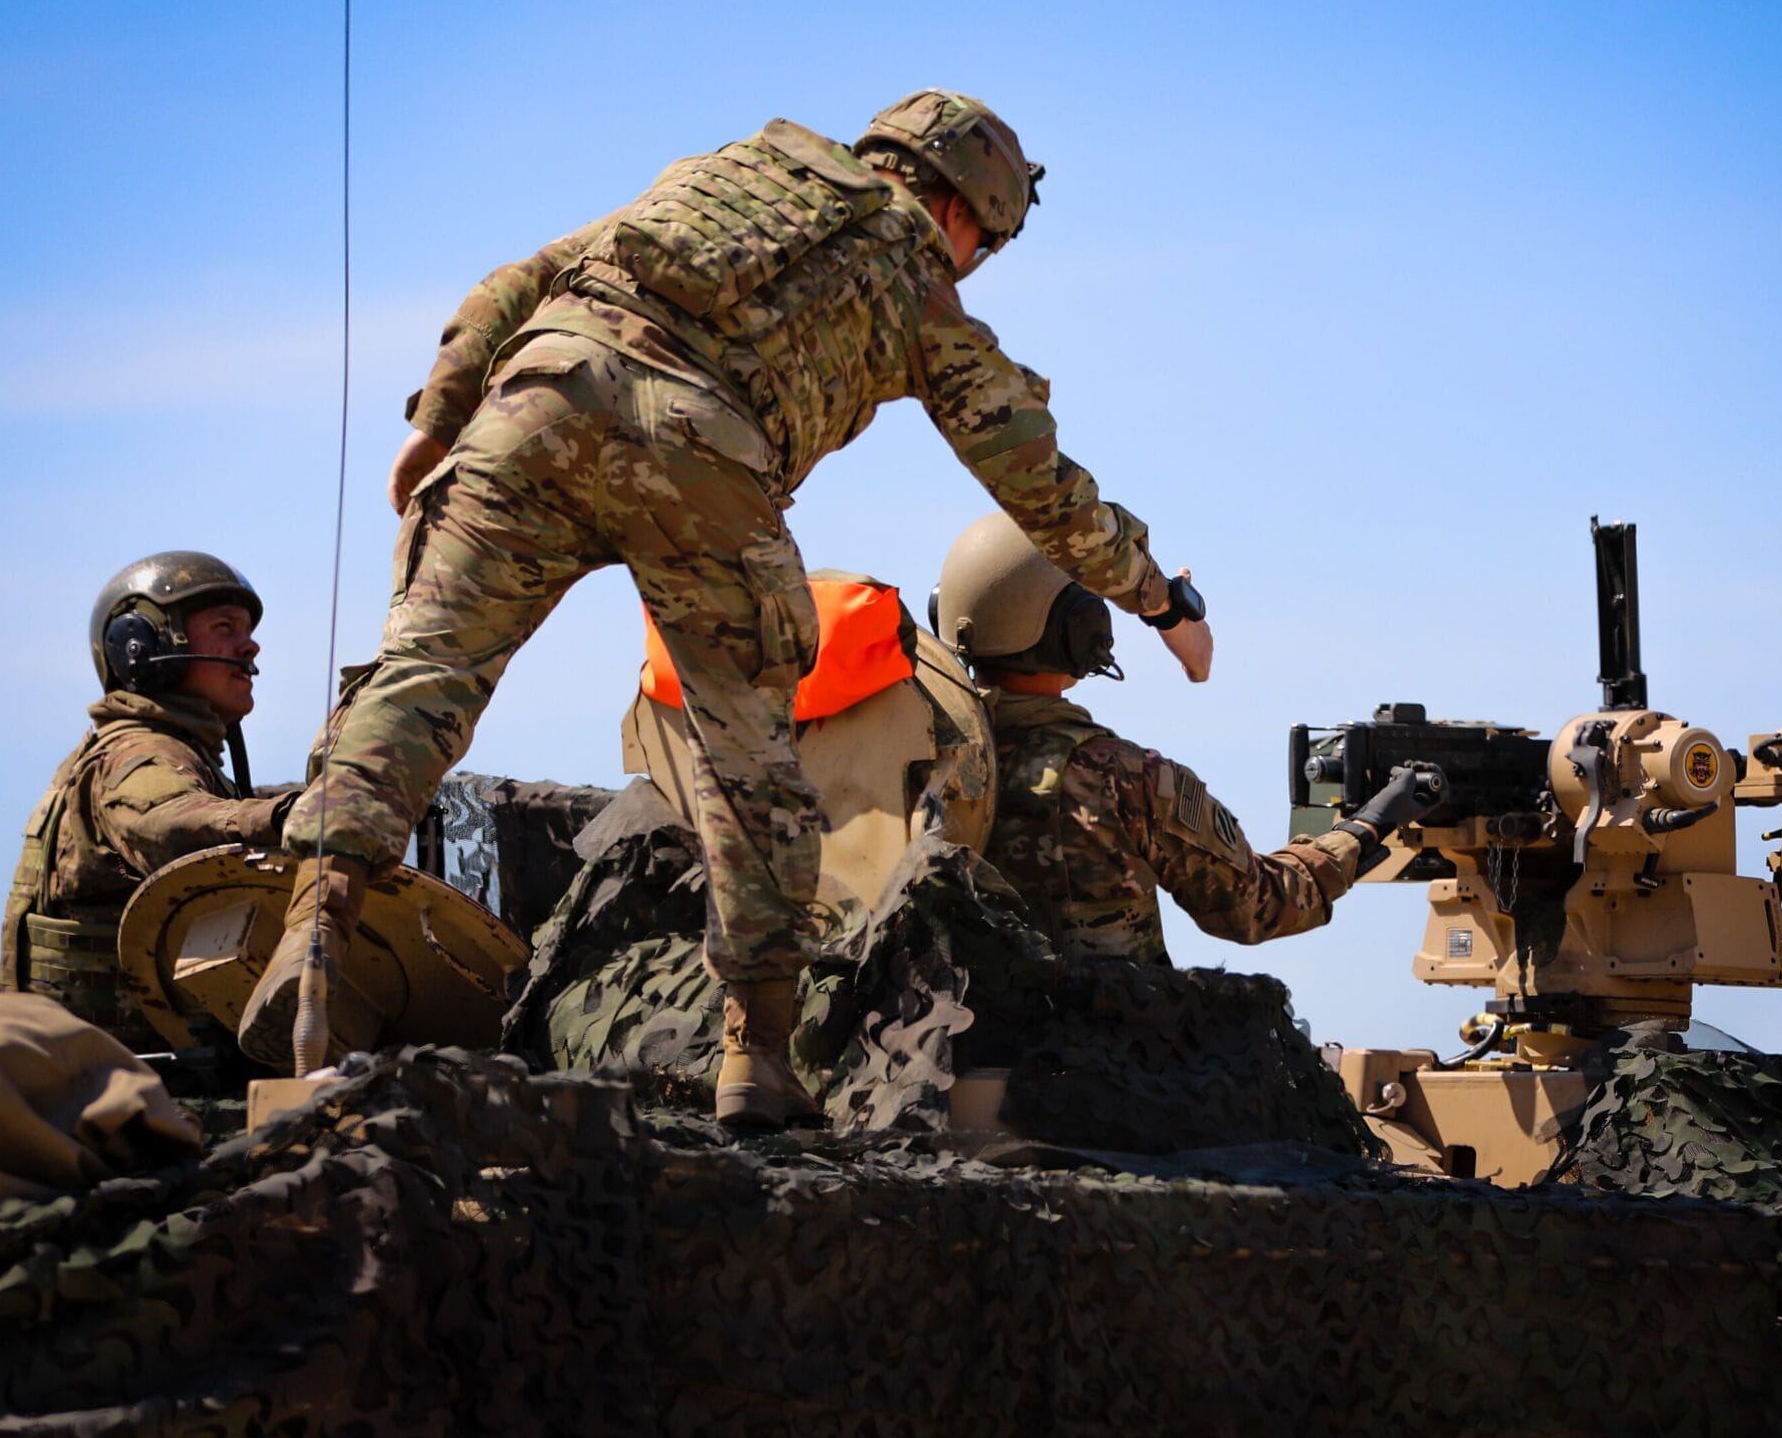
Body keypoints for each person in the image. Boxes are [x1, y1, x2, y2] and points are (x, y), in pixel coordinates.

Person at [248, 91, 1210, 1131]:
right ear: (966, 207)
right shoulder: (917, 283)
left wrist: (441, 416)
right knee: (747, 760)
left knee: (419, 682)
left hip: (534, 398)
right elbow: (1038, 484)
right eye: (988, 242)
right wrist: (1161, 600)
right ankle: (757, 1059)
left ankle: (309, 967)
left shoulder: (722, 174)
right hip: (698, 454)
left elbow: (518, 280)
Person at [933, 512, 1438, 965]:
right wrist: (1369, 825)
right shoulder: (1118, 776)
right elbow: (1259, 905)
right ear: (1080, 629)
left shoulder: (925, 756)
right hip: (1095, 1057)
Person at [0, 553, 294, 1052]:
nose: (250, 645)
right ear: (144, 646)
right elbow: (168, 822)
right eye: (224, 628)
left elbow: (225, 802)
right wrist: (290, 819)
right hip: (106, 1088)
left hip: (115, 1073)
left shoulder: (172, 752)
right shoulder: (137, 754)